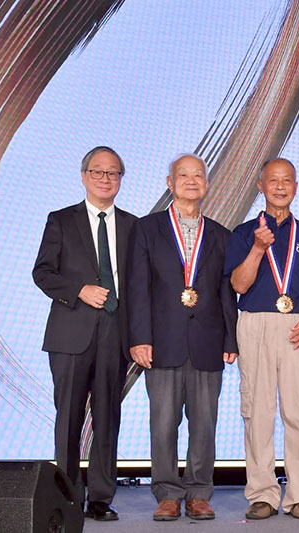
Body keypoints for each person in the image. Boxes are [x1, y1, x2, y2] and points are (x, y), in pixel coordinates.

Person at [125, 154, 238, 521]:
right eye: (183, 175)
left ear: (207, 184)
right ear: (170, 182)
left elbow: (226, 292)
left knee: (204, 424)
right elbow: (137, 288)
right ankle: (168, 493)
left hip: (207, 342)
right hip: (162, 342)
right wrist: (139, 338)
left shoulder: (221, 234)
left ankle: (199, 492)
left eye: (198, 175)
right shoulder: (146, 229)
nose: (192, 180)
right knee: (163, 423)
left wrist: (230, 340)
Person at [33, 146, 136, 521]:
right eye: (98, 172)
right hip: (70, 334)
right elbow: (43, 273)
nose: (105, 178)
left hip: (116, 333)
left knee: (108, 417)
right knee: (70, 418)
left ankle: (100, 499)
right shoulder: (60, 220)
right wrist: (78, 289)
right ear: (83, 176)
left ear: (121, 180)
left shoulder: (132, 225)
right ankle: (68, 497)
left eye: (113, 173)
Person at [224, 158, 299, 520]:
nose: (280, 187)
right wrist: (257, 248)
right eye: (273, 181)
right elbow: (238, 285)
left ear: (296, 187)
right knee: (259, 413)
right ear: (260, 186)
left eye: (287, 181)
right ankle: (262, 494)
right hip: (256, 325)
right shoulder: (243, 233)